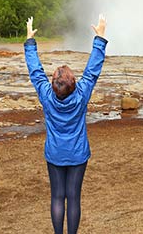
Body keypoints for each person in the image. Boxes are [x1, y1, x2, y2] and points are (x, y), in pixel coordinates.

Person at [24, 14, 107, 234]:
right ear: (73, 84)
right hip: (78, 153)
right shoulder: (81, 94)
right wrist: (99, 38)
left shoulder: (46, 94)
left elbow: (35, 72)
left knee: (57, 196)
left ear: (53, 85)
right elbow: (92, 71)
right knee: (74, 197)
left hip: (55, 153)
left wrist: (30, 42)